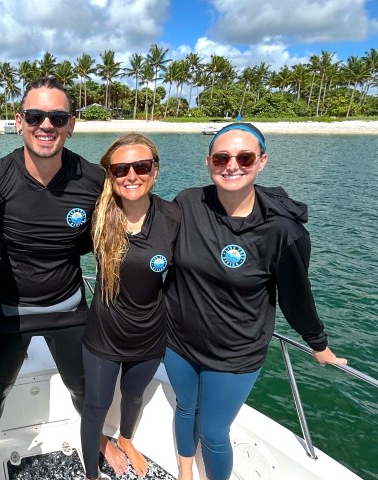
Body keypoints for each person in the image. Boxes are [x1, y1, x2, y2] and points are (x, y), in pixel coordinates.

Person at [163, 123, 347, 480]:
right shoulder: (188, 202)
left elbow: (296, 295)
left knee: (214, 432)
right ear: (209, 163)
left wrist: (318, 343)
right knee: (185, 407)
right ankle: (185, 471)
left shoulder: (283, 231)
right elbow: (154, 242)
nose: (232, 165)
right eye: (222, 157)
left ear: (262, 161)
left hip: (236, 352)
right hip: (178, 340)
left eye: (244, 157)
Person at [0, 78, 104, 446]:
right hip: (7, 311)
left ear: (71, 125)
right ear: (19, 121)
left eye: (57, 117)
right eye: (35, 116)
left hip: (68, 308)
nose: (46, 125)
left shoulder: (94, 180)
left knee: (84, 389)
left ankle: (97, 447)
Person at [81, 133, 181, 479]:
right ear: (110, 174)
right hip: (103, 336)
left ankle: (125, 439)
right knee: (95, 407)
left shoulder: (173, 217)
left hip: (151, 336)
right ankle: (92, 472)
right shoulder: (97, 215)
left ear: (155, 170)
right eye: (121, 168)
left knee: (133, 395)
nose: (131, 175)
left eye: (141, 166)